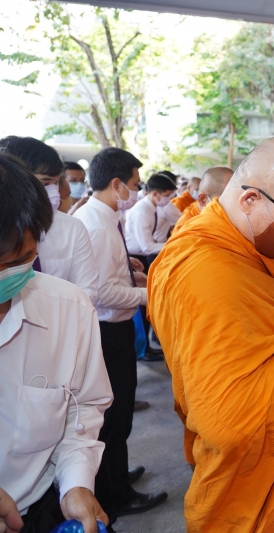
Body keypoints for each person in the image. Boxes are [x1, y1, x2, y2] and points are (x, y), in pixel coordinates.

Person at [147, 137, 274, 532]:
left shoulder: (237, 247)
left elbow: (264, 322)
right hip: (246, 473)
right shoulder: (207, 272)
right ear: (250, 200)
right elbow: (229, 422)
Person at [0, 153, 113, 533]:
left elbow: (81, 411)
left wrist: (76, 481)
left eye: (22, 260)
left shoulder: (67, 309)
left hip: (37, 507)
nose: (7, 277)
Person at [74, 148, 168, 524]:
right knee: (115, 416)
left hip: (114, 327)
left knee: (119, 412)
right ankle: (115, 496)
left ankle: (116, 472)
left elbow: (108, 276)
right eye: (132, 185)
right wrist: (151, 294)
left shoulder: (104, 217)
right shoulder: (96, 225)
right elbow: (100, 293)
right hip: (106, 329)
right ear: (115, 184)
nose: (135, 192)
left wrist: (128, 269)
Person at [0, 136, 99, 306]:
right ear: (16, 179)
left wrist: (51, 316)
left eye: (56, 183)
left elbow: (87, 292)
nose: (54, 192)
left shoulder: (72, 228)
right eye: (44, 183)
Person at [124, 173, 178, 268]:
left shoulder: (150, 208)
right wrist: (175, 244)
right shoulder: (142, 212)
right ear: (155, 194)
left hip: (142, 254)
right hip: (136, 257)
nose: (168, 200)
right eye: (167, 195)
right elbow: (147, 247)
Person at [173, 166, 233, 233]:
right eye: (225, 201)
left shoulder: (233, 219)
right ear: (203, 200)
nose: (232, 205)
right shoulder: (185, 225)